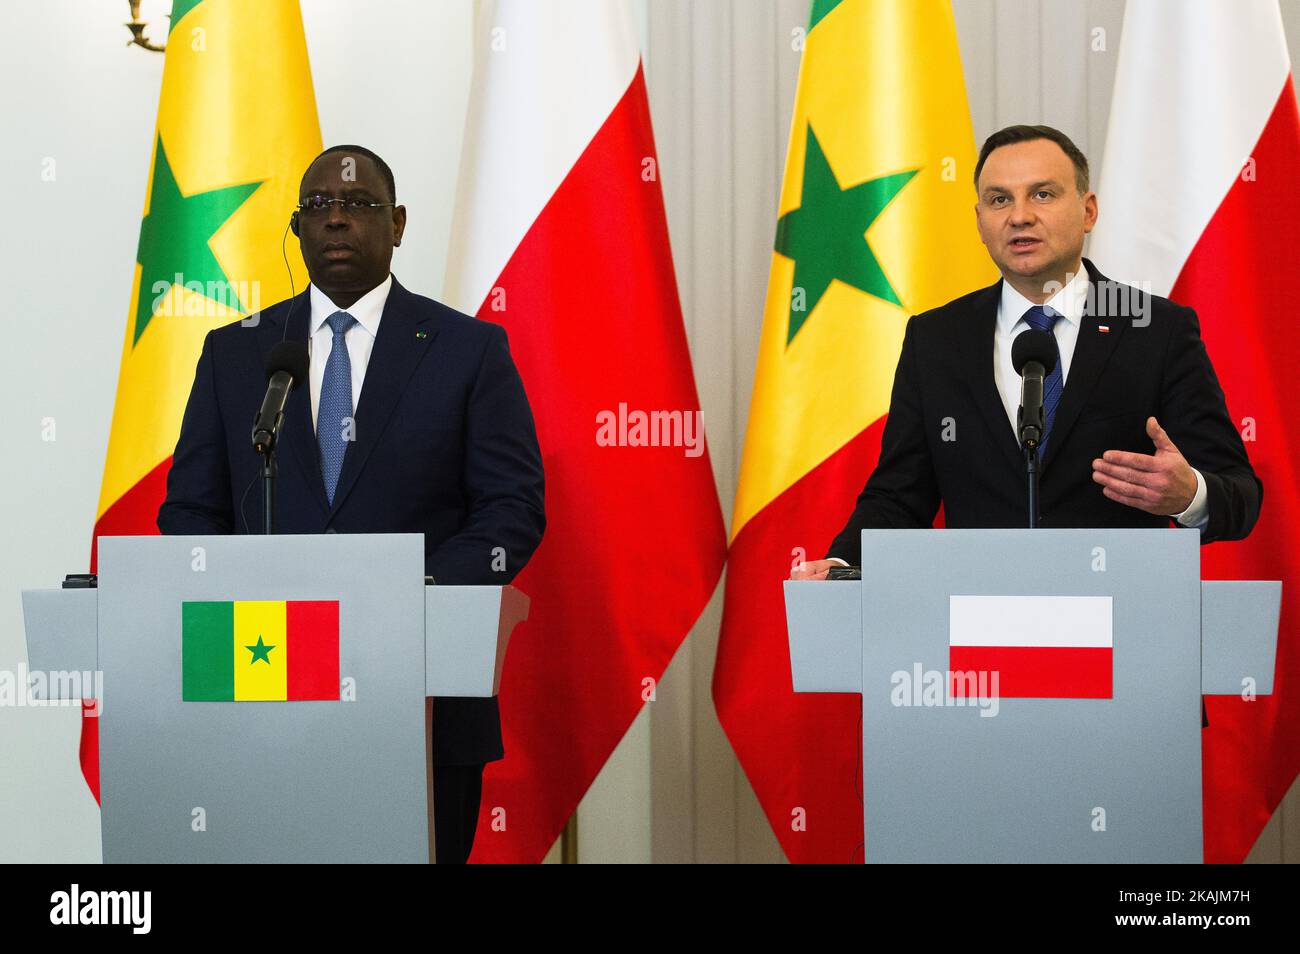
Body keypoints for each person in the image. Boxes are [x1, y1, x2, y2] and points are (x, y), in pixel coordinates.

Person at [158, 145, 546, 863]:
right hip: (264, 692)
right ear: (297, 228)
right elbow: (189, 513)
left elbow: (511, 508)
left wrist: (411, 591)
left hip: (422, 695)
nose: (336, 220)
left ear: (397, 224)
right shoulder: (238, 354)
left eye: (360, 205)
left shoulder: (468, 350)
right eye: (318, 208)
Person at [793, 124, 1260, 580]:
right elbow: (899, 494)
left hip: (1121, 622)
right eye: (999, 199)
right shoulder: (936, 338)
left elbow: (1240, 496)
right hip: (981, 628)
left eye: (1042, 194)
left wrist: (1188, 495)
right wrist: (840, 568)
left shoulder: (1155, 328)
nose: (1019, 216)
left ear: (1088, 210)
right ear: (980, 222)